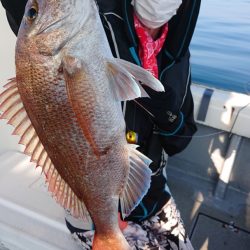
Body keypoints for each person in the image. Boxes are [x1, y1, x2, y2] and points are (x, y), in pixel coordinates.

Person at [1, 0, 200, 249]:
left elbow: (180, 140)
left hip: (151, 193)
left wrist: (169, 115)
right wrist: (106, 219)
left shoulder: (177, 58)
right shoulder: (100, 24)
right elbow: (22, 9)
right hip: (91, 211)